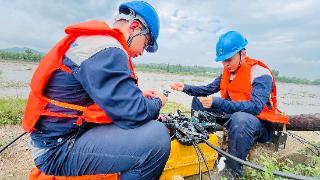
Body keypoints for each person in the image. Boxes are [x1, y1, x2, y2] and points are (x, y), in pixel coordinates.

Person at [22, 1, 171, 179]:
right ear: (134, 27)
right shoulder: (108, 48)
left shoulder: (97, 43)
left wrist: (139, 96)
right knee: (156, 139)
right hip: (57, 149)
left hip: (59, 138)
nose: (142, 51)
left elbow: (110, 97)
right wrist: (158, 101)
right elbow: (134, 113)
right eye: (146, 43)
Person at [170, 30, 288, 178]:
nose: (225, 64)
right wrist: (186, 88)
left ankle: (233, 171)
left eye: (229, 59)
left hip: (257, 123)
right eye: (223, 60)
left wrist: (219, 102)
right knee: (198, 101)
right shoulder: (228, 71)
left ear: (242, 54)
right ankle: (202, 142)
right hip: (233, 115)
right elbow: (208, 89)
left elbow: (255, 107)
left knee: (240, 119)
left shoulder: (260, 73)